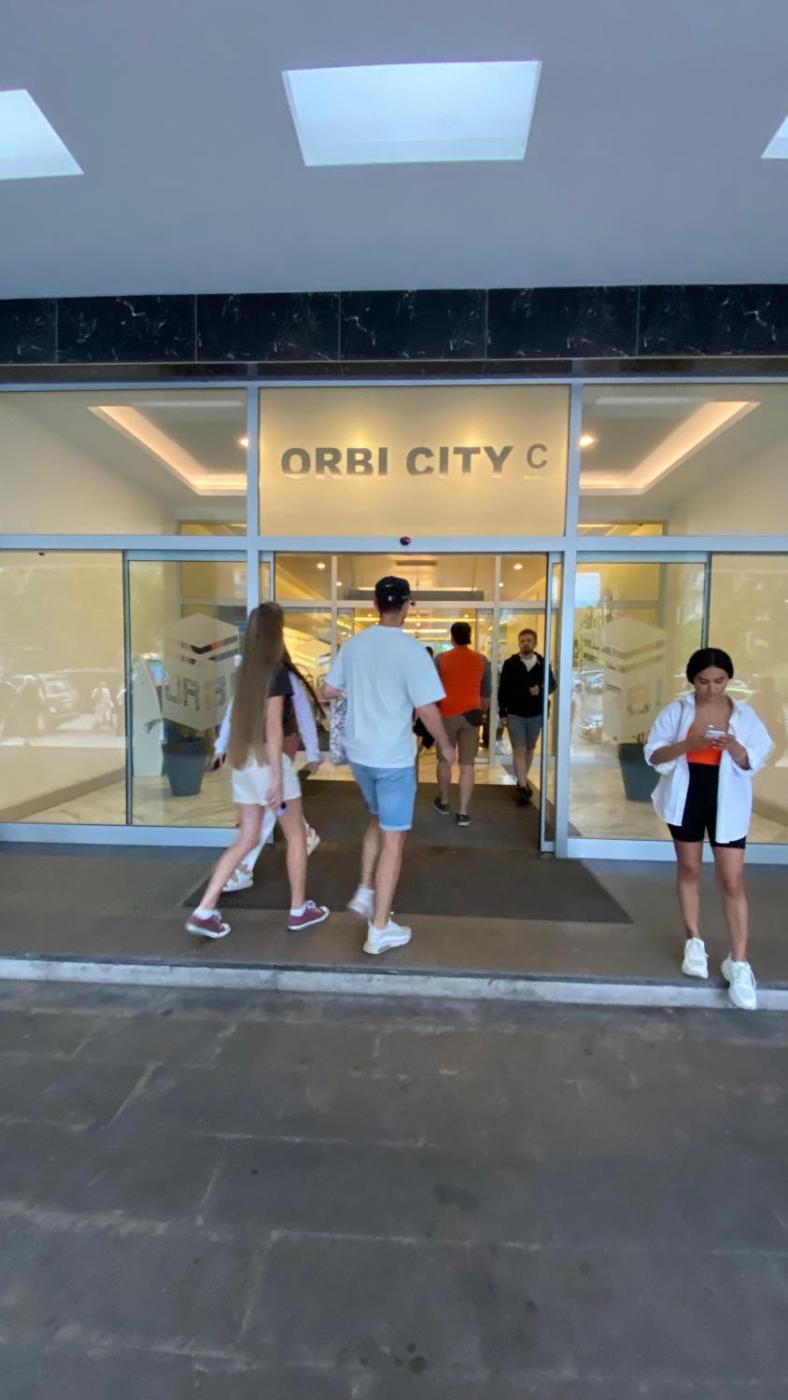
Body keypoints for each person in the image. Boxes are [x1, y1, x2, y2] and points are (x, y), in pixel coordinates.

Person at [322, 576, 454, 956]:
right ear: (408, 605)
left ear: (375, 606)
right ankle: (379, 928)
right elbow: (426, 709)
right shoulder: (412, 652)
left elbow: (327, 689)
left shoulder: (354, 645)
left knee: (377, 817)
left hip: (359, 755)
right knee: (394, 839)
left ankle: (366, 889)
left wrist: (351, 690)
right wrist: (445, 746)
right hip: (393, 759)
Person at [185, 603, 329, 940]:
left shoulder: (246, 673)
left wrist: (221, 748)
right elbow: (274, 728)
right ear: (276, 634)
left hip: (244, 763)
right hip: (267, 763)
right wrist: (278, 778)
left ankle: (204, 908)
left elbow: (233, 715)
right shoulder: (277, 673)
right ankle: (298, 910)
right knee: (297, 836)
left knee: (247, 837)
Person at [644, 647, 772, 1010]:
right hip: (687, 795)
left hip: (726, 799)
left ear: (729, 679)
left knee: (732, 880)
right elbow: (654, 754)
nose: (711, 688)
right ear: (692, 680)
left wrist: (734, 747)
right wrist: (689, 744)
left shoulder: (744, 715)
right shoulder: (677, 711)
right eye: (703, 681)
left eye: (719, 681)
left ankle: (739, 961)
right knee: (689, 868)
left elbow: (754, 759)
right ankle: (694, 941)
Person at [213, 648, 322, 893]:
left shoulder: (282, 677)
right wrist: (220, 745)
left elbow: (304, 715)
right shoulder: (259, 677)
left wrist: (313, 752)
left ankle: (244, 868)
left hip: (279, 745)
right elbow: (233, 711)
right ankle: (303, 833)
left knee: (270, 803)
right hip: (259, 749)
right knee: (273, 802)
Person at [432, 621, 491, 827]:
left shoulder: (441, 659)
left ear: (452, 638)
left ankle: (444, 802)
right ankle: (463, 812)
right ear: (469, 636)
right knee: (467, 765)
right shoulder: (482, 660)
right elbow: (486, 695)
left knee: (444, 760)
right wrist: (481, 712)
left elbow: (432, 688)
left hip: (446, 714)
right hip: (472, 716)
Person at [497, 628, 557, 805]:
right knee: (519, 749)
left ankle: (521, 780)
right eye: (522, 640)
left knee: (530, 749)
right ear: (519, 643)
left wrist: (541, 688)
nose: (525, 643)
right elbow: (502, 690)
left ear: (535, 643)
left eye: (528, 640)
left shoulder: (543, 663)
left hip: (536, 714)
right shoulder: (510, 663)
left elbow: (552, 684)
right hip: (515, 714)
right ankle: (523, 786)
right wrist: (503, 714)